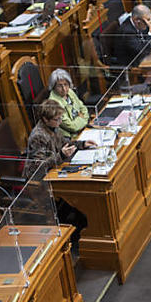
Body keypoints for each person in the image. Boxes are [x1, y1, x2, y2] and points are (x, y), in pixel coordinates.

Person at [25, 99, 97, 245]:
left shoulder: (53, 127)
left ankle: (80, 219)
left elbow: (63, 142)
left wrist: (82, 144)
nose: (59, 122)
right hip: (39, 179)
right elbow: (39, 166)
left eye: (60, 118)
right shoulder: (38, 136)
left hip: (54, 170)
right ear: (45, 119)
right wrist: (62, 155)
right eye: (56, 119)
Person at [48, 69, 89, 137]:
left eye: (66, 84)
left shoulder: (69, 91)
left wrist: (83, 118)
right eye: (59, 86)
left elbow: (83, 108)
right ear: (53, 87)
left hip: (82, 129)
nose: (64, 89)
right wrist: (83, 118)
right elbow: (72, 127)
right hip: (70, 137)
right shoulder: (53, 103)